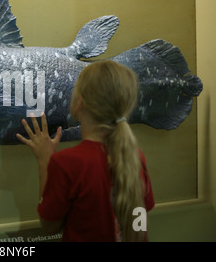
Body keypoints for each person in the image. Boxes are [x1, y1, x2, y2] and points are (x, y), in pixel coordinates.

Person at [16, 60, 155, 242]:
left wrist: (45, 160)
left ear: (79, 102)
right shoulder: (136, 156)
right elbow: (141, 217)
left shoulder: (66, 162)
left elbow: (50, 225)